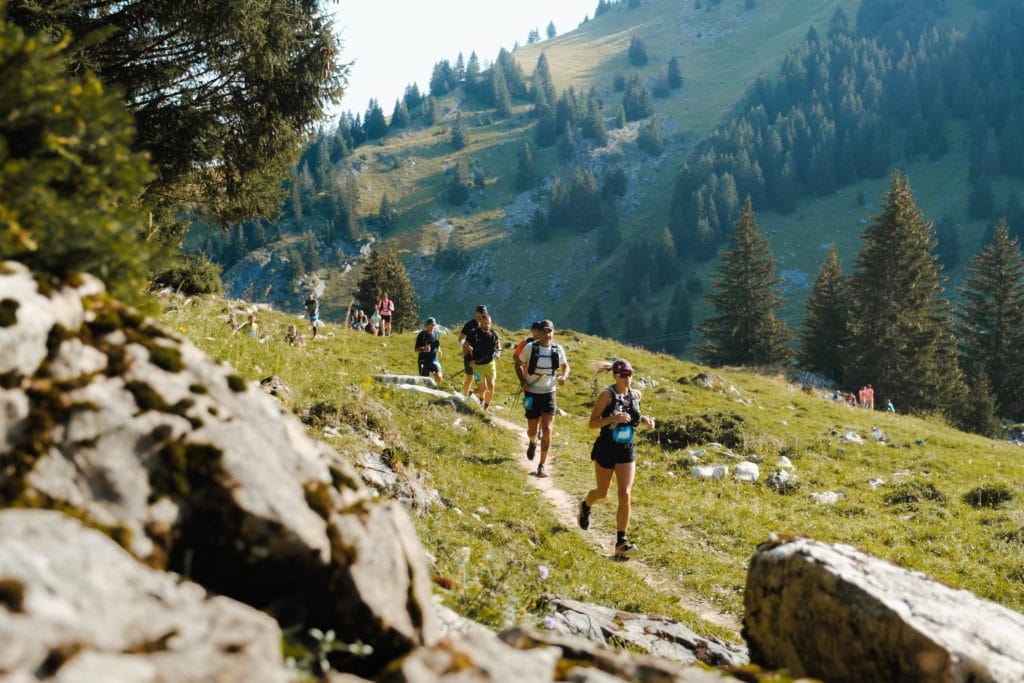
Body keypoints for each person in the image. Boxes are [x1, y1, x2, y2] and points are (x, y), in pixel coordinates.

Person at [578, 359, 655, 559]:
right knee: (602, 493)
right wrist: (613, 419)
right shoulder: (606, 395)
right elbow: (592, 423)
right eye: (623, 375)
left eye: (630, 374)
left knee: (625, 493)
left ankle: (621, 542)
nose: (627, 378)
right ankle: (585, 505)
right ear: (615, 375)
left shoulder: (636, 395)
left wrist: (646, 420)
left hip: (626, 449)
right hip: (606, 448)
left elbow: (634, 415)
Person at [514, 319, 569, 478]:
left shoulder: (557, 349)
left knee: (548, 429)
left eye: (550, 330)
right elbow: (517, 364)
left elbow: (565, 366)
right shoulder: (530, 348)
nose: (547, 333)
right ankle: (532, 442)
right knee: (533, 430)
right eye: (545, 330)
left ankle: (542, 465)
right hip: (531, 392)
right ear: (540, 331)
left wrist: (564, 376)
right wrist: (523, 381)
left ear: (553, 332)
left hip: (549, 393)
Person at [467, 314, 500, 411]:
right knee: (482, 389)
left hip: (490, 364)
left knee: (491, 387)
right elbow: (466, 346)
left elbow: (498, 346)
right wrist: (470, 359)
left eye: (489, 323)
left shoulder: (494, 334)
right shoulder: (474, 333)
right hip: (477, 366)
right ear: (480, 323)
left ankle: (485, 408)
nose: (487, 325)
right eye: (485, 323)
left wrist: (498, 353)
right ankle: (472, 392)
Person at [459, 305, 488, 397]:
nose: (483, 314)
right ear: (477, 313)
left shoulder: (486, 324)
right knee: (470, 377)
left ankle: (480, 400)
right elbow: (460, 338)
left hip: (481, 358)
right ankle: (465, 396)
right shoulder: (470, 325)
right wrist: (465, 345)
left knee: (481, 379)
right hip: (469, 356)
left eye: (484, 313)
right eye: (481, 313)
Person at [415, 317, 443, 384]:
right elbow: (416, 349)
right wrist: (424, 349)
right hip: (423, 360)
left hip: (434, 359)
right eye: (430, 325)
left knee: (439, 377)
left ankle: (436, 391)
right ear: (427, 325)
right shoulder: (422, 335)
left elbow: (437, 344)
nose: (432, 327)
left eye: (433, 325)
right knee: (424, 381)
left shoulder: (436, 333)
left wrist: (439, 350)